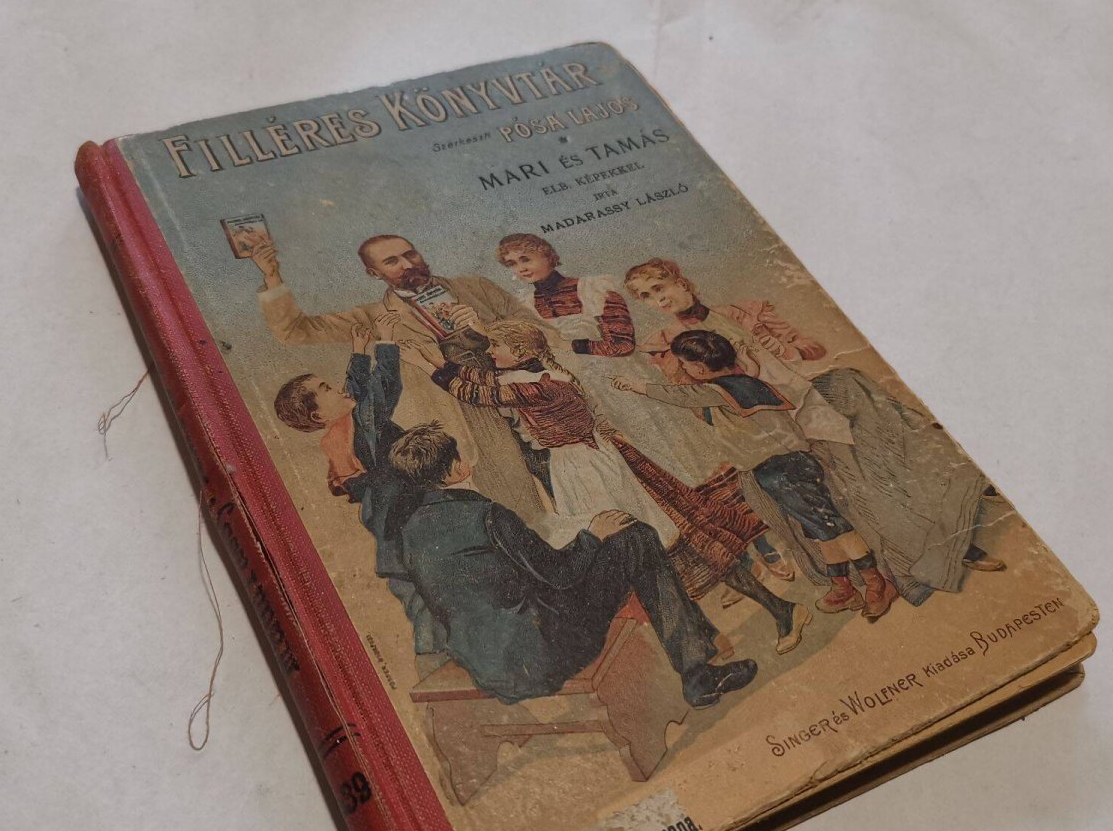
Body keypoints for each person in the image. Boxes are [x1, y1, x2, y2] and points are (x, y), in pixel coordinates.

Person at [400, 321, 805, 652]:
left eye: (497, 347)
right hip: (579, 465)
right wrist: (435, 360)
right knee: (648, 552)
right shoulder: (532, 372)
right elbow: (481, 378)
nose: (491, 354)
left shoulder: (544, 383)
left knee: (662, 545)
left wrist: (429, 366)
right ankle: (709, 637)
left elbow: (476, 392)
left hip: (588, 467)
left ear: (520, 351)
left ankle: (776, 612)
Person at [623, 258, 1003, 603]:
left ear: (680, 281)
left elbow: (806, 351)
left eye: (660, 287)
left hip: (804, 402)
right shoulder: (668, 347)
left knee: (874, 468)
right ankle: (914, 562)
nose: (658, 299)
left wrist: (793, 348)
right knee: (846, 492)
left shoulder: (739, 313)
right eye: (646, 297)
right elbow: (698, 404)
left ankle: (951, 545)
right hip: (769, 428)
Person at [388, 422, 759, 709]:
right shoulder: (487, 514)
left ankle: (700, 652)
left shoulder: (411, 531)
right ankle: (697, 677)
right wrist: (593, 535)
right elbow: (560, 574)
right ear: (455, 470)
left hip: (490, 667)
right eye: (458, 455)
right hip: (546, 653)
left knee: (609, 551)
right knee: (636, 537)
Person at [250, 234, 545, 521]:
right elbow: (295, 331)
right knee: (516, 505)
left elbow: (543, 332)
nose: (407, 264)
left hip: (530, 398)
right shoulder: (376, 316)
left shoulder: (475, 287)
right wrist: (272, 277)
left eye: (410, 254)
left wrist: (486, 330)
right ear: (374, 273)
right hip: (468, 419)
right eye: (392, 261)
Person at [614, 329, 901, 620]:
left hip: (781, 467)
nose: (684, 370)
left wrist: (637, 386)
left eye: (685, 365)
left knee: (830, 525)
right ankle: (843, 585)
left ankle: (876, 583)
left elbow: (680, 395)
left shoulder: (719, 390)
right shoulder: (747, 383)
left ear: (699, 368)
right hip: (782, 466)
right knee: (818, 527)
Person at [271, 313, 445, 663]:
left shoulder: (340, 430)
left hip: (388, 515)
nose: (337, 388)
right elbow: (383, 391)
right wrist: (385, 340)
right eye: (326, 389)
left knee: (417, 585)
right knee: (429, 583)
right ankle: (436, 657)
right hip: (404, 513)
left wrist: (358, 350)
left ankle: (435, 655)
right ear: (318, 416)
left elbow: (354, 392)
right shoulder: (361, 424)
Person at [495, 232, 636, 357]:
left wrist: (564, 344)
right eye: (512, 264)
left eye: (526, 259)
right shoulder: (526, 306)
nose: (521, 268)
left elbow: (623, 345)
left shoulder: (594, 290)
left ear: (547, 256)